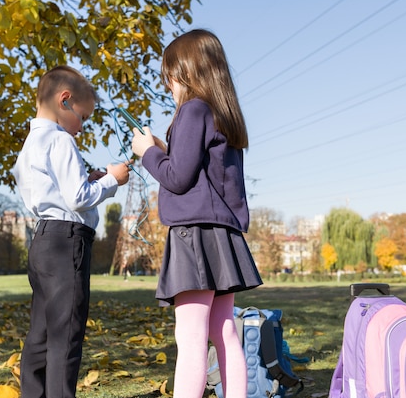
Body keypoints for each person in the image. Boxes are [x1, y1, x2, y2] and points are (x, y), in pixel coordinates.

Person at [131, 29, 263, 398]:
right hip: (223, 237)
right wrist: (164, 148)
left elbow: (177, 177)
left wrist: (146, 152)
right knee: (223, 332)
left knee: (189, 336)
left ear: (185, 73)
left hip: (193, 236)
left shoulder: (192, 110)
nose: (168, 86)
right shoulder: (221, 115)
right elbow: (199, 171)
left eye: (169, 77)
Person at [13, 65, 131, 398]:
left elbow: (56, 193)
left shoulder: (32, 143)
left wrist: (88, 179)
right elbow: (78, 199)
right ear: (64, 101)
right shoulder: (60, 140)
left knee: (41, 332)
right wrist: (112, 180)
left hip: (43, 241)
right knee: (66, 334)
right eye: (83, 116)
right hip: (68, 244)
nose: (82, 127)